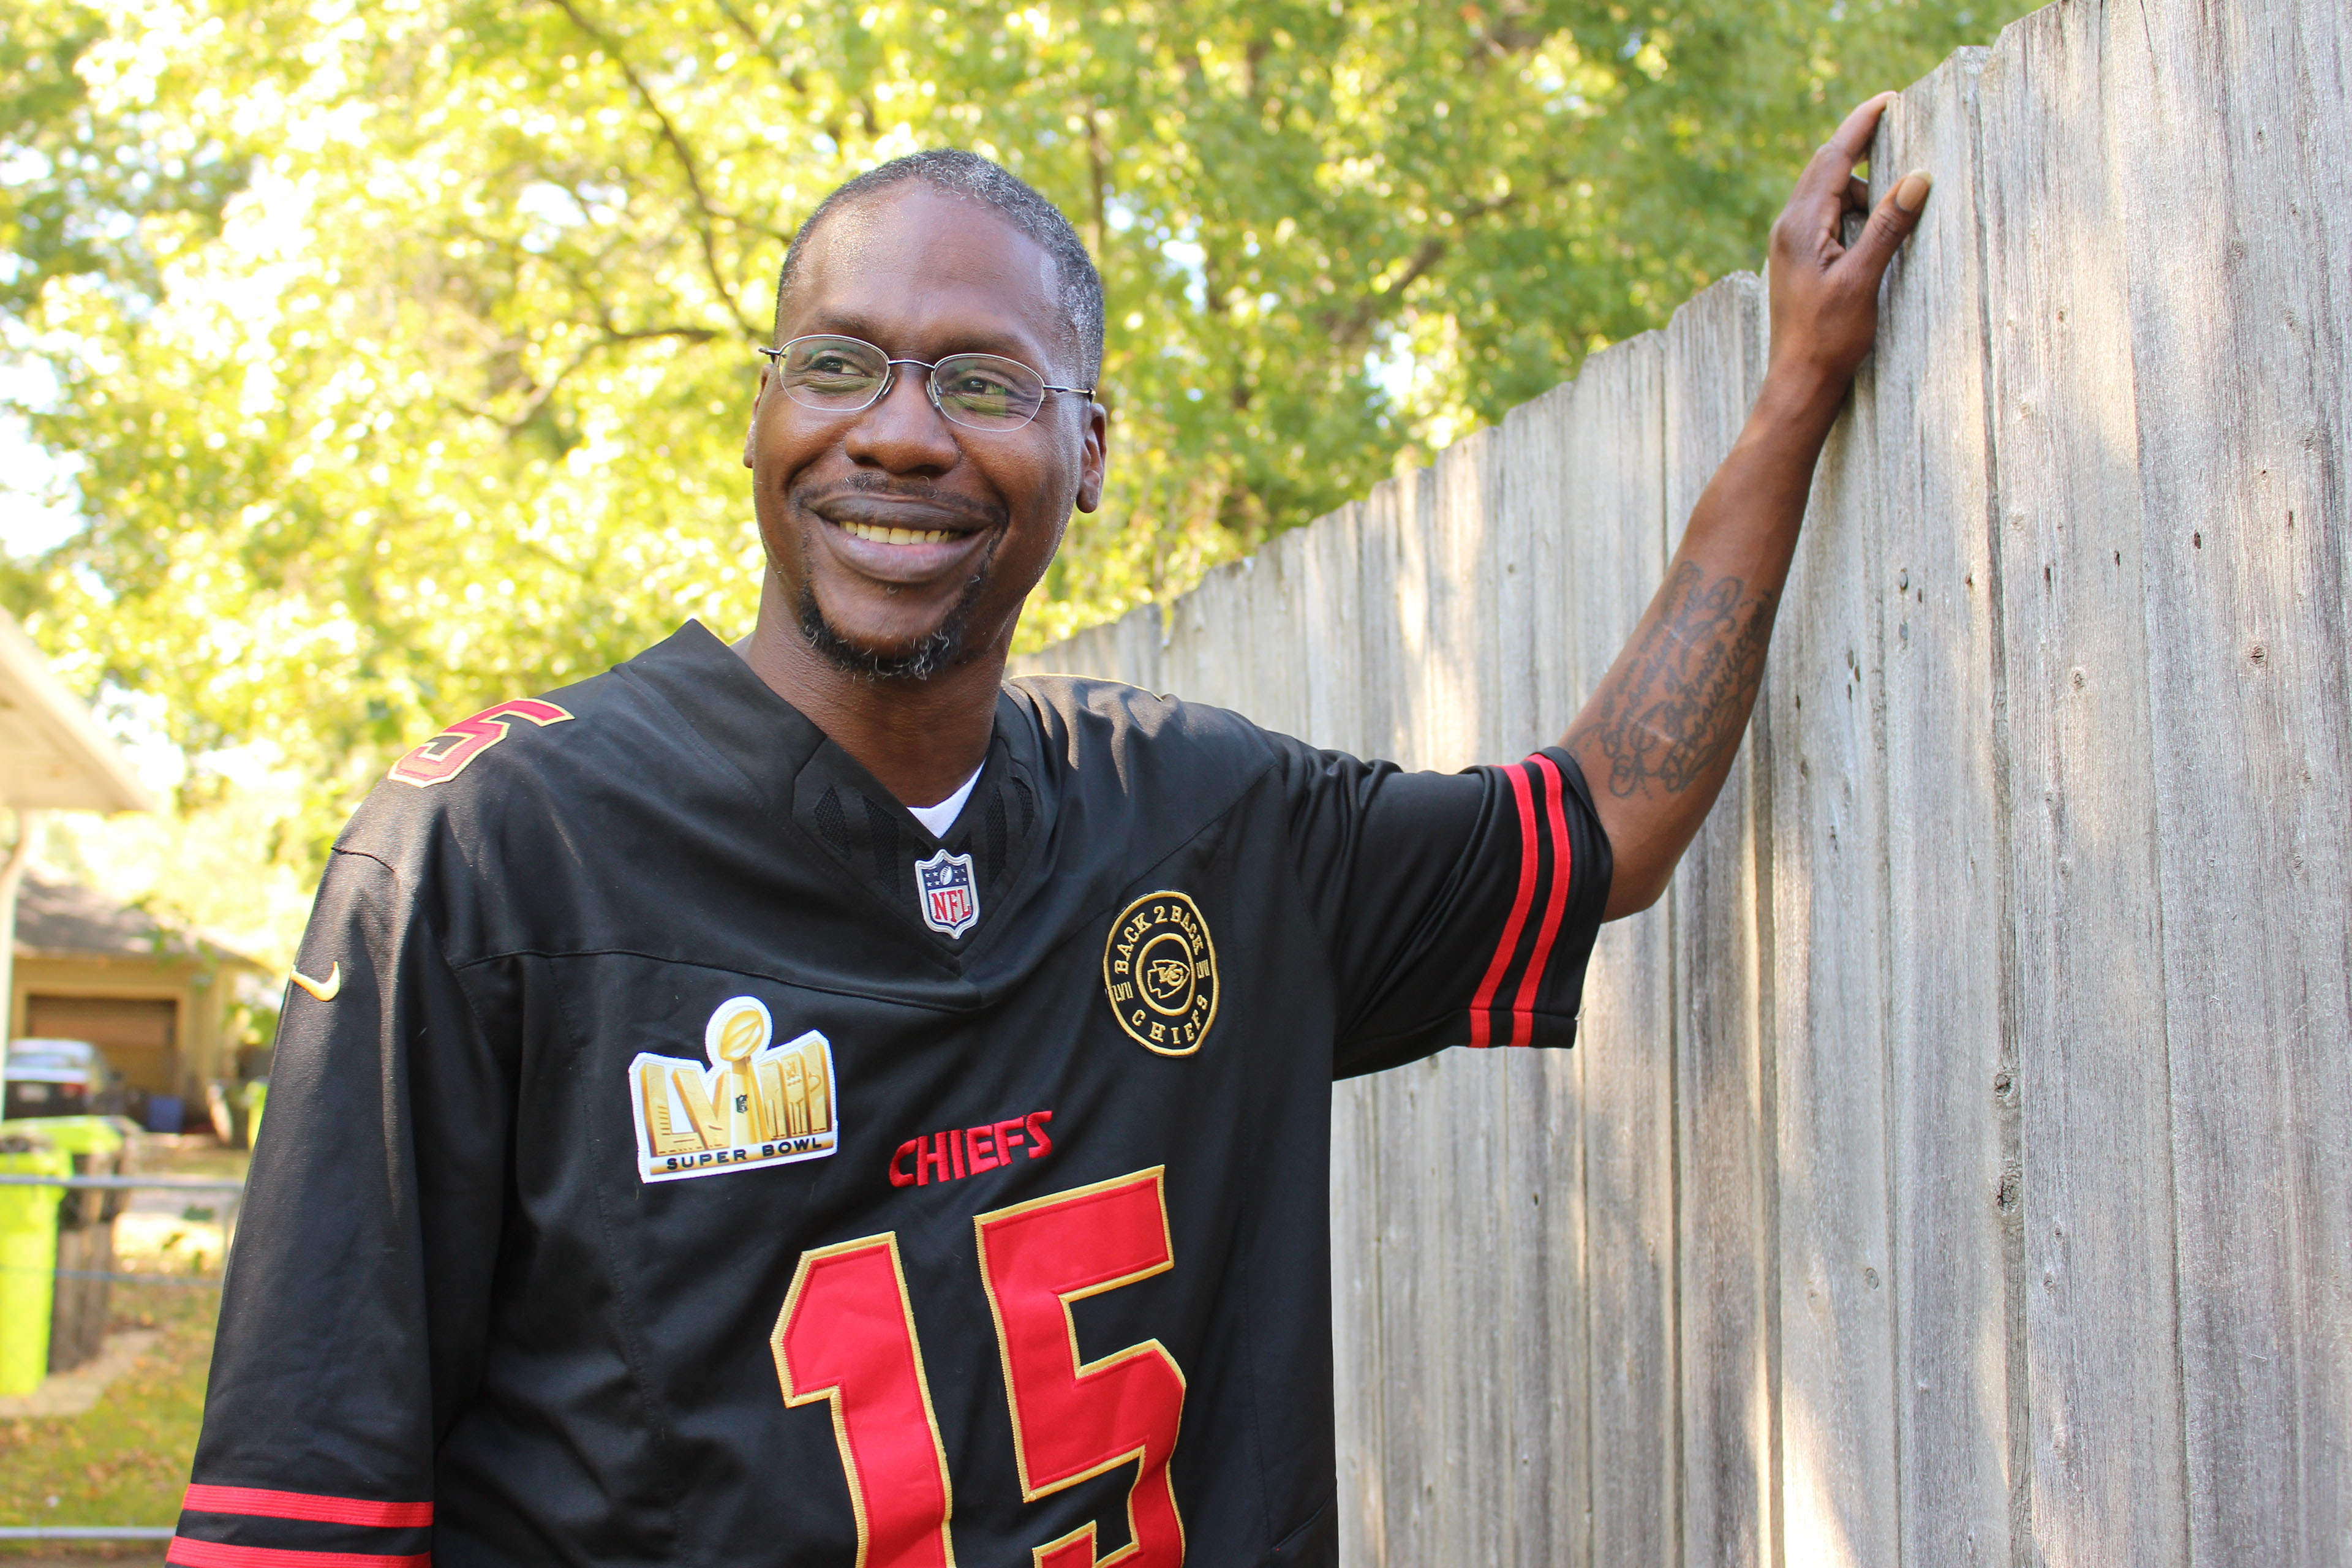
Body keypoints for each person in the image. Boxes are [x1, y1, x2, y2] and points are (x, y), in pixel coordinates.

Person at [169, 95, 1926, 1568]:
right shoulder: (482, 858)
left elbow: (1600, 824)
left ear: (1092, 451)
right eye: (840, 363)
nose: (902, 433)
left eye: (987, 384)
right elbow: (296, 1516)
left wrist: (1794, 395)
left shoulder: (1211, 829)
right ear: (768, 414)